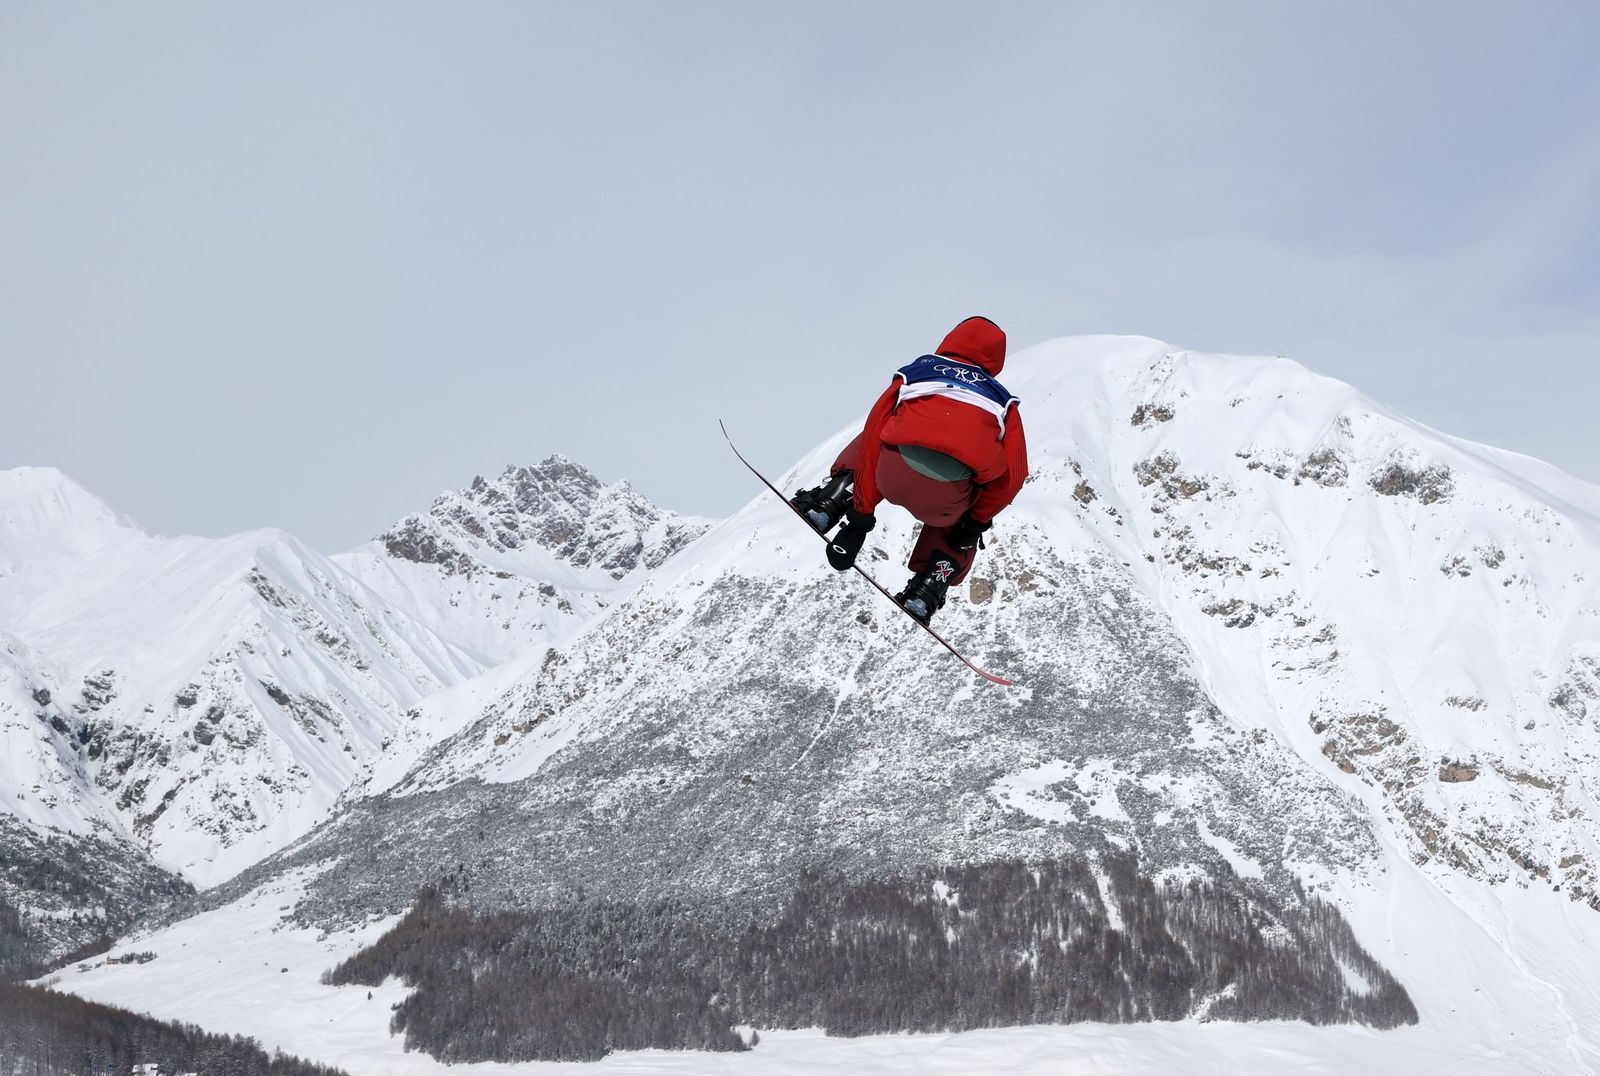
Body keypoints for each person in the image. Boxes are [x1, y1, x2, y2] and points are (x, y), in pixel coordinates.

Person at [791, 315, 1029, 623]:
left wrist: (859, 522)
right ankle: (927, 589)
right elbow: (1013, 475)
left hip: (890, 476)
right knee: (974, 489)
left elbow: (875, 426)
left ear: (951, 339)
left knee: (881, 432)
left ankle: (832, 499)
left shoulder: (916, 372)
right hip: (946, 505)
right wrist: (973, 524)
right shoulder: (1003, 402)